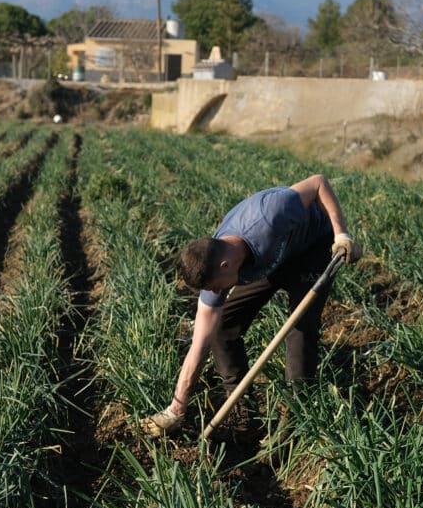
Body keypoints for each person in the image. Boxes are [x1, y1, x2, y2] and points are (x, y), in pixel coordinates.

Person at [140, 174, 361, 437]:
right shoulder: (221, 268)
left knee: (301, 329)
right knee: (223, 327)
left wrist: (341, 234)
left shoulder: (270, 215)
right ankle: (245, 413)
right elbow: (199, 345)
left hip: (312, 249)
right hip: (271, 261)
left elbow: (318, 183)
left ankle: (294, 422)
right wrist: (175, 410)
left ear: (225, 265)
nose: (216, 293)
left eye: (214, 287)